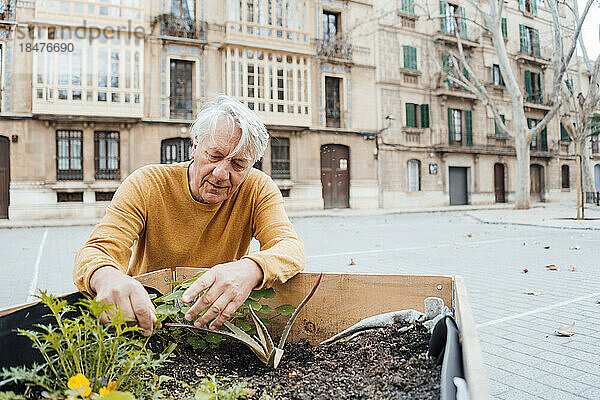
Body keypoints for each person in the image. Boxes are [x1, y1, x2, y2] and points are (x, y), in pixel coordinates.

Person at [73, 95, 305, 337]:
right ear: (195, 146)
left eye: (238, 165)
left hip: (215, 325)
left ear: (251, 166)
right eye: (214, 156)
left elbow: (290, 248)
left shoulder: (258, 188)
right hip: (147, 319)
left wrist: (250, 269)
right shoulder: (147, 183)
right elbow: (96, 250)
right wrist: (106, 276)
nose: (221, 173)